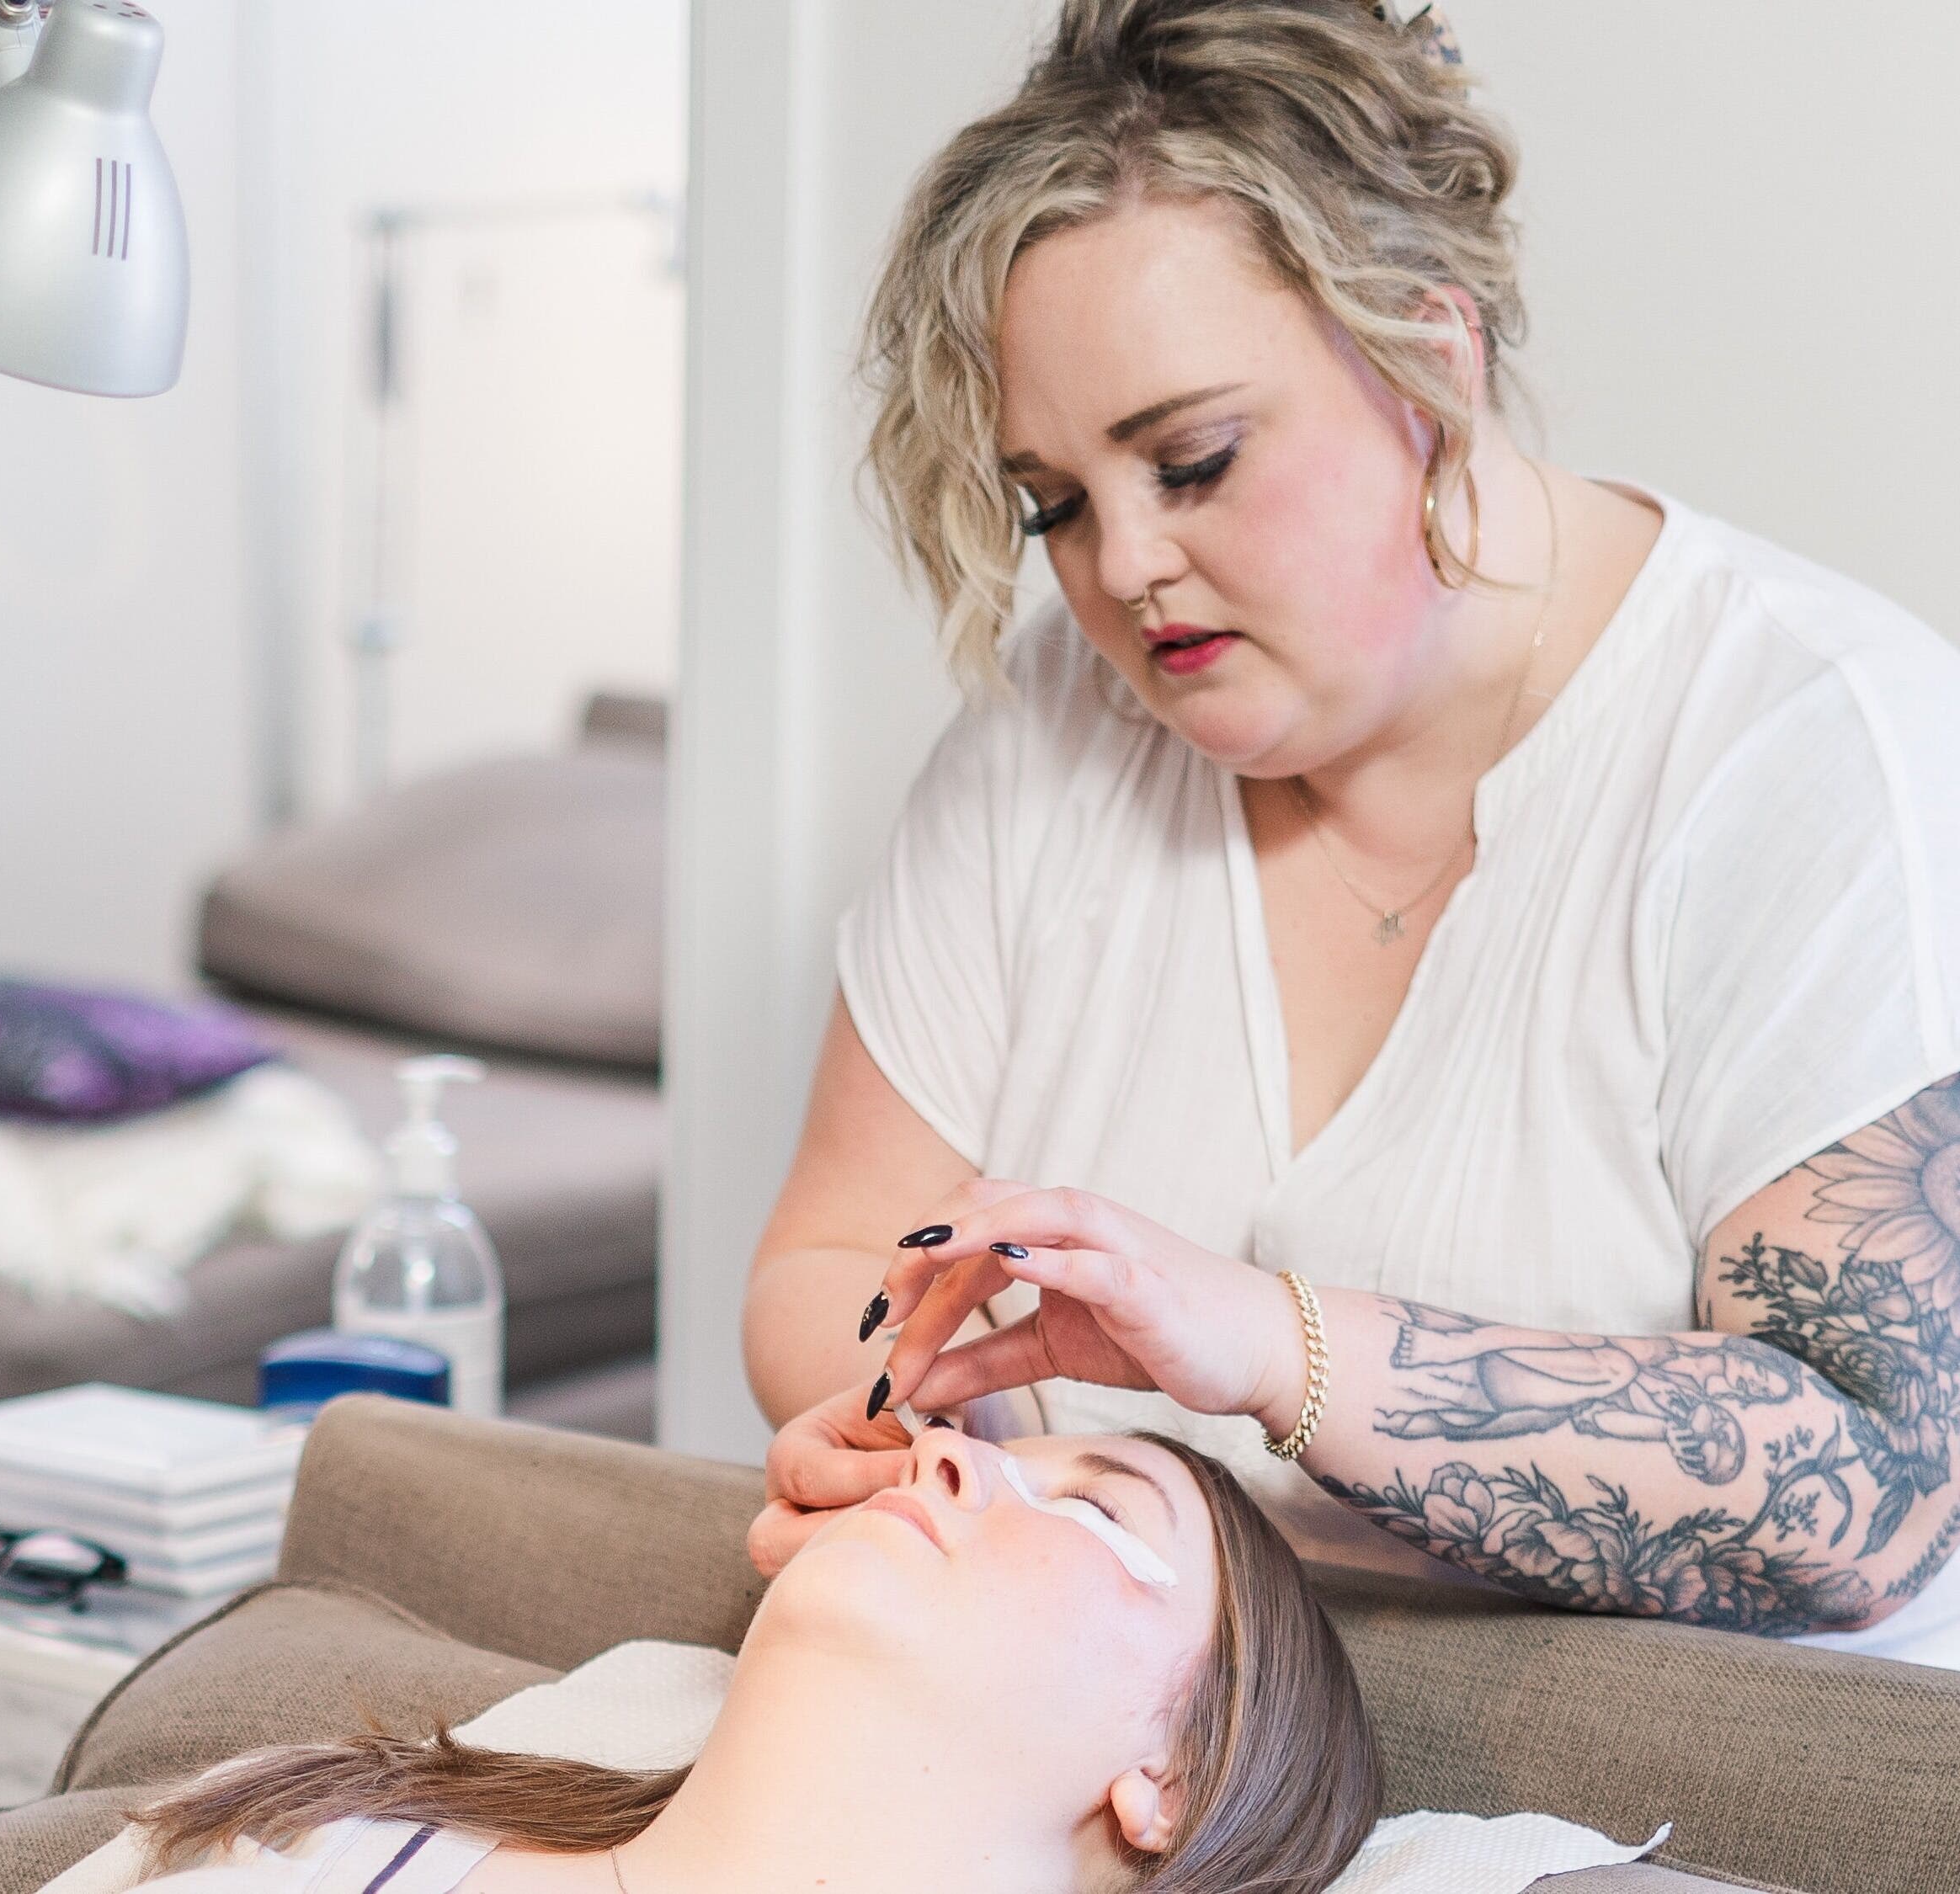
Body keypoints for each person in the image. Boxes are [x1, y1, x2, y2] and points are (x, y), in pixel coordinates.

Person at [744, 0, 1960, 1667]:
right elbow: (826, 1260)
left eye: (1192, 458)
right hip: (1154, 1728)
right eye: (1056, 503)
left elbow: (1865, 1493)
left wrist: (1271, 1352)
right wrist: (952, 1457)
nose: (1121, 569)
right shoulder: (1052, 725)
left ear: (1427, 362)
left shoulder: (1813, 749)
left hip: (1679, 1778)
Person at [85, 1426, 1376, 1892]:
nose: (947, 1451)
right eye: (975, 1448)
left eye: (1098, 1508)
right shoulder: (311, 1835)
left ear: (1180, 1777)